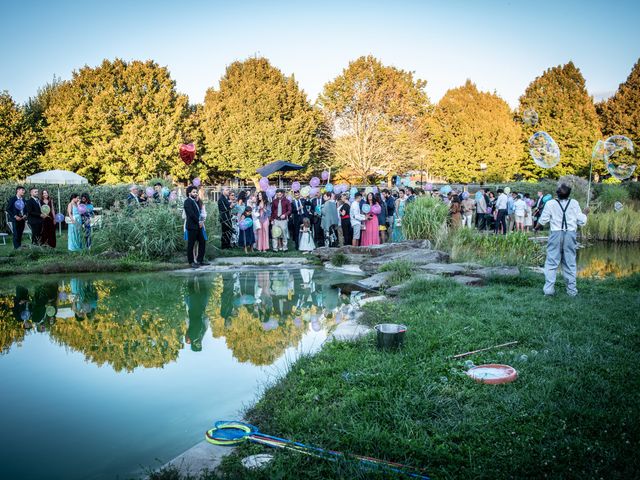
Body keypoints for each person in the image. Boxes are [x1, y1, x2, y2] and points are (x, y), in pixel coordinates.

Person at [535, 184, 588, 297]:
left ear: (557, 193)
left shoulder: (550, 203)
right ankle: (572, 291)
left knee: (551, 262)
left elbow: (543, 220)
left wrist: (536, 228)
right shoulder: (574, 203)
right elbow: (581, 221)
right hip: (570, 234)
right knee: (569, 263)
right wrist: (585, 213)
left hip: (555, 234)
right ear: (569, 194)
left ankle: (549, 291)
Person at [184, 185, 207, 268]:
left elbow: (199, 213)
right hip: (192, 226)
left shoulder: (195, 201)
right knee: (191, 244)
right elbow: (191, 214)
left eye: (196, 192)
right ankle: (191, 262)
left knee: (202, 241)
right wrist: (199, 222)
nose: (196, 193)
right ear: (189, 193)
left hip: (198, 225)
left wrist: (201, 221)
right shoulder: (187, 201)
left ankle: (200, 260)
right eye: (193, 192)